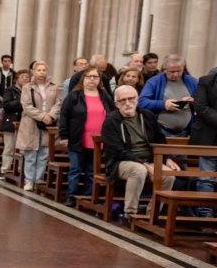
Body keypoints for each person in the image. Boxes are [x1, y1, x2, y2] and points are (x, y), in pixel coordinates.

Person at [103, 85, 178, 221]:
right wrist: (145, 165)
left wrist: (167, 159)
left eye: (131, 98)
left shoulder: (147, 115)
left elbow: (160, 139)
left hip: (149, 160)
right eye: (123, 100)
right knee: (138, 171)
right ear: (116, 104)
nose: (127, 103)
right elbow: (117, 151)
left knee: (169, 175)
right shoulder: (111, 121)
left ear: (137, 99)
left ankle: (152, 213)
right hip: (121, 162)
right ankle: (130, 214)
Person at [59, 66, 115, 206]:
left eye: (95, 77)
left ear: (99, 80)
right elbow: (64, 116)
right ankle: (71, 196)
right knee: (75, 168)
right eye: (89, 76)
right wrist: (64, 136)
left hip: (98, 140)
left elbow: (113, 115)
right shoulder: (74, 95)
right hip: (78, 138)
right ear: (83, 79)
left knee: (92, 170)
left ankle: (88, 196)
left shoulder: (105, 96)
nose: (92, 79)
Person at [17, 60, 61, 191]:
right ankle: (29, 180)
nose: (41, 73)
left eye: (44, 70)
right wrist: (43, 116)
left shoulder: (54, 87)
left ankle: (39, 179)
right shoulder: (27, 87)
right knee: (31, 154)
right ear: (33, 71)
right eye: (39, 70)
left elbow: (59, 103)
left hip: (48, 124)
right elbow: (27, 106)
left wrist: (51, 115)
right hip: (31, 123)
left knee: (43, 153)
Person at [137, 54, 197, 137]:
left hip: (186, 131)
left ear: (183, 68)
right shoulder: (154, 82)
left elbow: (203, 102)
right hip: (161, 131)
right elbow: (142, 102)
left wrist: (193, 100)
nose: (176, 75)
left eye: (179, 71)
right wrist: (163, 104)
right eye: (172, 71)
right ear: (165, 69)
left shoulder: (192, 81)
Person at [189, 67, 217, 217]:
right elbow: (200, 107)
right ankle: (204, 214)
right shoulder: (206, 81)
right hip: (210, 137)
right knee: (206, 178)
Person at [0, 68, 29, 180]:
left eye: (27, 77)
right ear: (17, 79)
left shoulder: (29, 90)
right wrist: (20, 100)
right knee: (9, 147)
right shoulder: (10, 90)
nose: (26, 79)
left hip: (24, 123)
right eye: (23, 77)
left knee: (22, 148)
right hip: (10, 122)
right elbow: (6, 105)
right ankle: (5, 170)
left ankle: (20, 170)